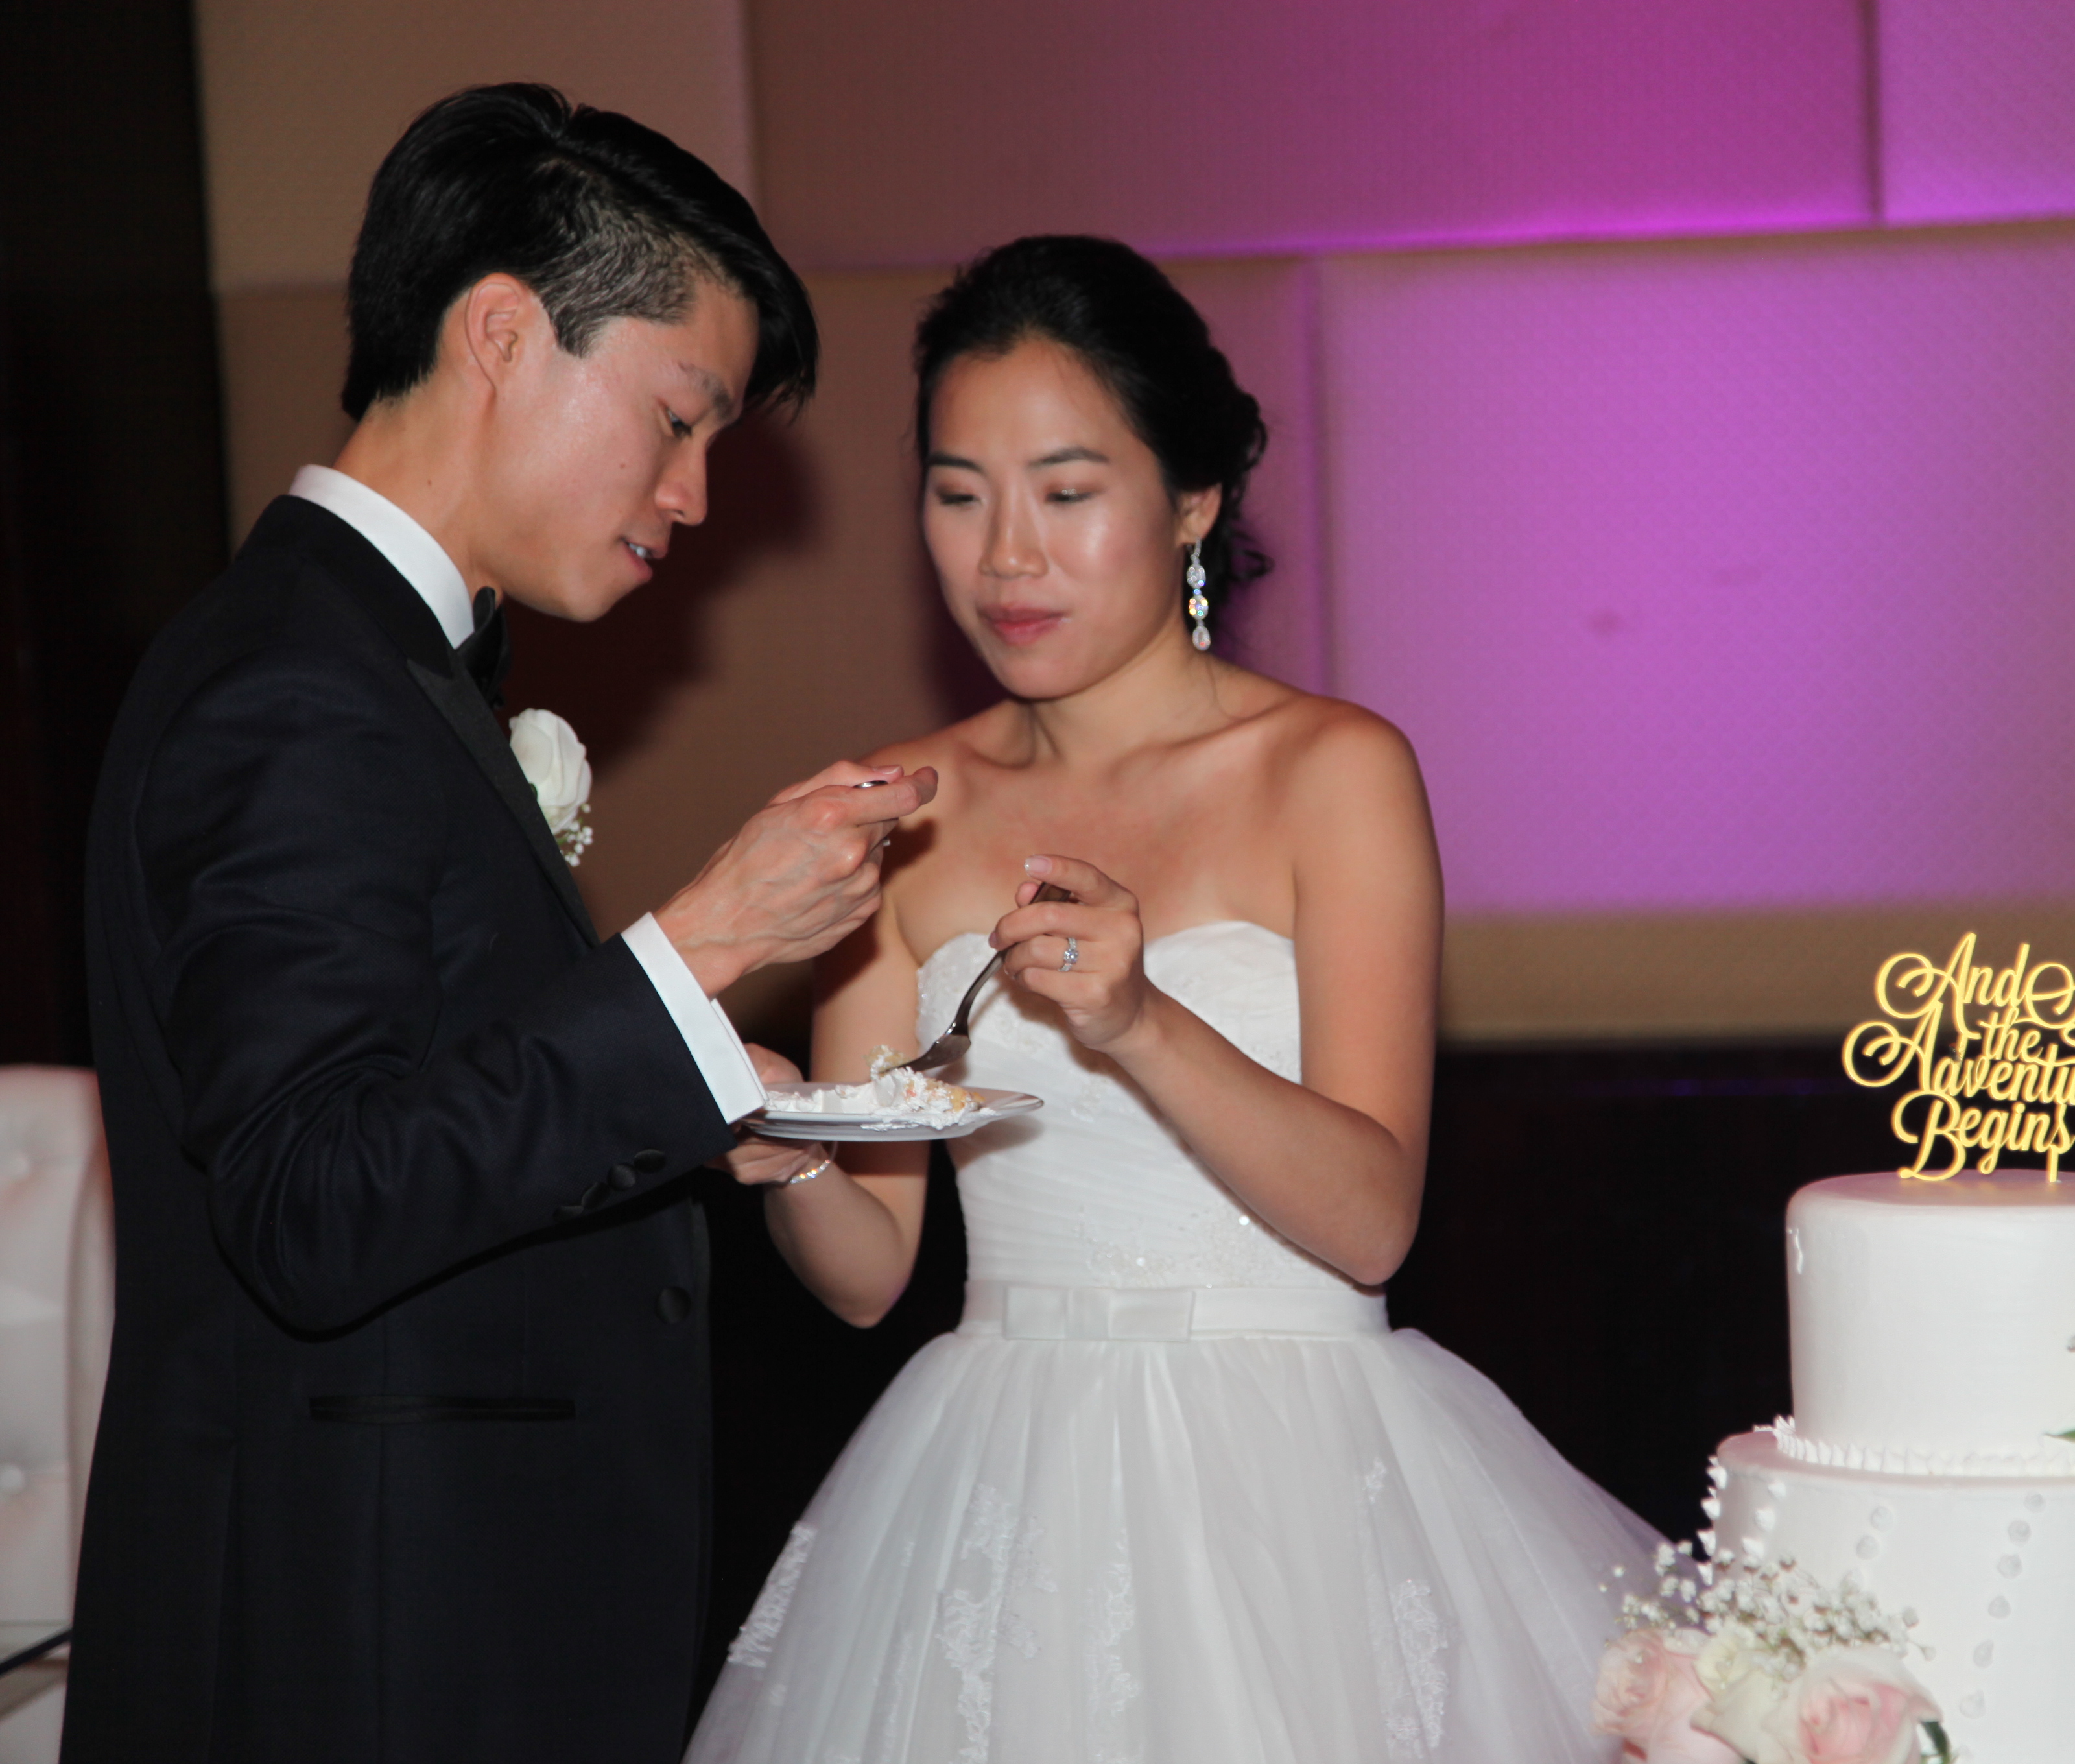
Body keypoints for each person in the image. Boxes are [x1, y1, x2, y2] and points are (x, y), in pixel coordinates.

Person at [688, 235, 1654, 1763]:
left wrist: (1139, 1023)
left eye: (1066, 492)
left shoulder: (1333, 772)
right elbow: (870, 1271)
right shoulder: (900, 806)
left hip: (1302, 1474)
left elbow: (1371, 1220)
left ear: (1193, 499)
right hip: (1001, 1481)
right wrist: (787, 1140)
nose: (1007, 557)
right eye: (959, 494)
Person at [69, 85, 930, 1762]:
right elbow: (313, 1201)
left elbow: (425, 1106)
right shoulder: (300, 682)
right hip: (364, 1649)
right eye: (678, 418)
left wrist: (691, 1099)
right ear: (502, 333)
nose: (695, 494)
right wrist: (696, 949)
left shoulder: (371, 657)